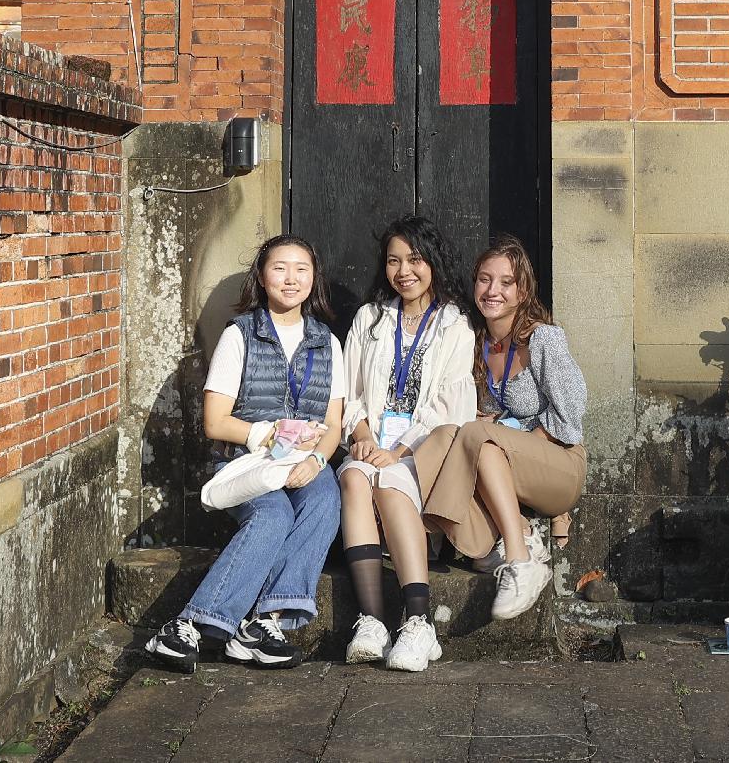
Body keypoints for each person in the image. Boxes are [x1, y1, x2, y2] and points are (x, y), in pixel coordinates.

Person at [146, 234, 345, 673]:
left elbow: (334, 423)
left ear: (314, 278)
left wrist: (315, 461)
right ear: (262, 275)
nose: (290, 279)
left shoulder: (326, 342)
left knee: (326, 497)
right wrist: (265, 434)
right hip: (247, 461)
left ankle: (263, 623)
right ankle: (188, 627)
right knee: (273, 515)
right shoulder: (241, 336)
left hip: (304, 460)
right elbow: (215, 422)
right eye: (280, 268)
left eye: (301, 269)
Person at [416, 234, 587, 622]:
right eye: (484, 280)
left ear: (522, 290)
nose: (492, 291)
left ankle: (520, 561)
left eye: (505, 282)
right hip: (500, 464)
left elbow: (572, 412)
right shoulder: (473, 342)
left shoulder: (543, 339)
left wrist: (511, 439)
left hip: (559, 465)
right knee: (445, 435)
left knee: (478, 437)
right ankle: (499, 536)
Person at [336, 215, 477, 671]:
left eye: (415, 260)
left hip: (423, 451)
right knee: (354, 478)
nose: (404, 271)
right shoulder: (371, 319)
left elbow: (448, 410)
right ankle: (373, 620)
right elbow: (350, 392)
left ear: (432, 263)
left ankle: (418, 623)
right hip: (371, 441)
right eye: (394, 261)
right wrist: (361, 436)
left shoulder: (454, 326)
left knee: (391, 481)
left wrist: (396, 451)